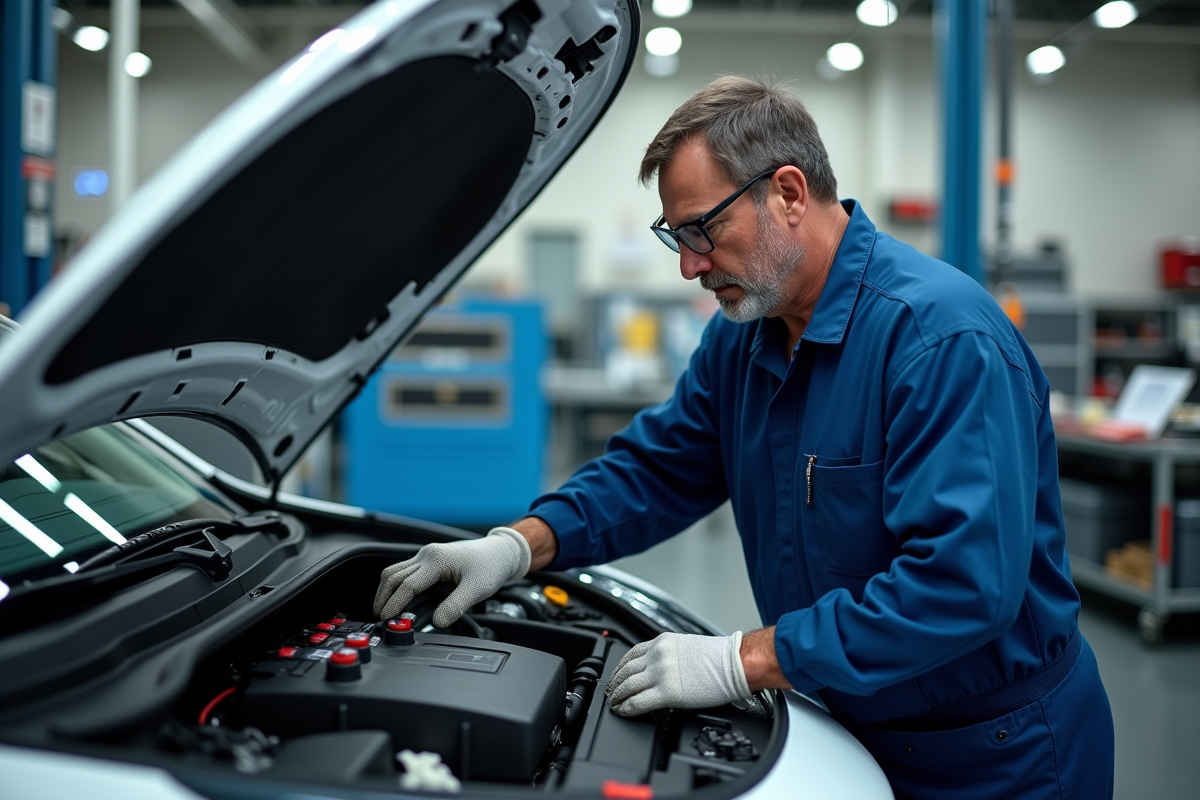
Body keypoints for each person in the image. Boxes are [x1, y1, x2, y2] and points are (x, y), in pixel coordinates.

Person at [373, 77, 1114, 799]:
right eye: (677, 237)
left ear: (789, 193)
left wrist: (746, 659)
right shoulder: (748, 337)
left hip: (993, 755)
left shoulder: (939, 341)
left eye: (704, 230)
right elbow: (657, 471)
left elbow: (962, 584)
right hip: (848, 718)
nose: (691, 265)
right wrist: (516, 545)